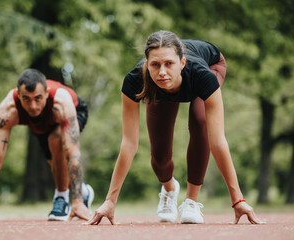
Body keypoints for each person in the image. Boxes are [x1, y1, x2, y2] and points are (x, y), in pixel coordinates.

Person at [88, 30, 264, 225]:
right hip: (161, 90)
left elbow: (218, 141)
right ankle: (170, 189)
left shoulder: (202, 75)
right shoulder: (135, 80)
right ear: (147, 64)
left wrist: (238, 200)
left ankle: (191, 201)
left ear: (182, 63)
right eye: (155, 64)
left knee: (200, 120)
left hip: (212, 63)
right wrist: (109, 201)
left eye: (169, 64)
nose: (162, 72)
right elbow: (129, 144)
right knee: (160, 157)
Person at [0, 69, 94, 222]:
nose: (33, 106)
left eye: (38, 98)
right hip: (42, 124)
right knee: (56, 167)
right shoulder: (8, 110)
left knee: (56, 140)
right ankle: (85, 192)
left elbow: (73, 153)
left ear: (46, 93)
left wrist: (76, 201)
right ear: (18, 94)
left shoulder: (61, 103)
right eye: (26, 99)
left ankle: (62, 199)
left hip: (74, 110)